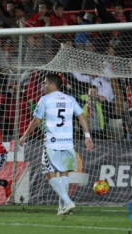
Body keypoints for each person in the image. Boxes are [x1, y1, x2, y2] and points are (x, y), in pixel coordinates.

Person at [19, 74, 94, 215]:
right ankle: (62, 208)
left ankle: (67, 202)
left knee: (49, 173)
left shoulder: (45, 99)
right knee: (64, 173)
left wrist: (24, 136)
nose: (43, 86)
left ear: (53, 85)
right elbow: (81, 116)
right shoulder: (70, 99)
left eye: (45, 83)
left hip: (52, 143)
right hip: (67, 142)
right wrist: (87, 136)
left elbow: (36, 121)